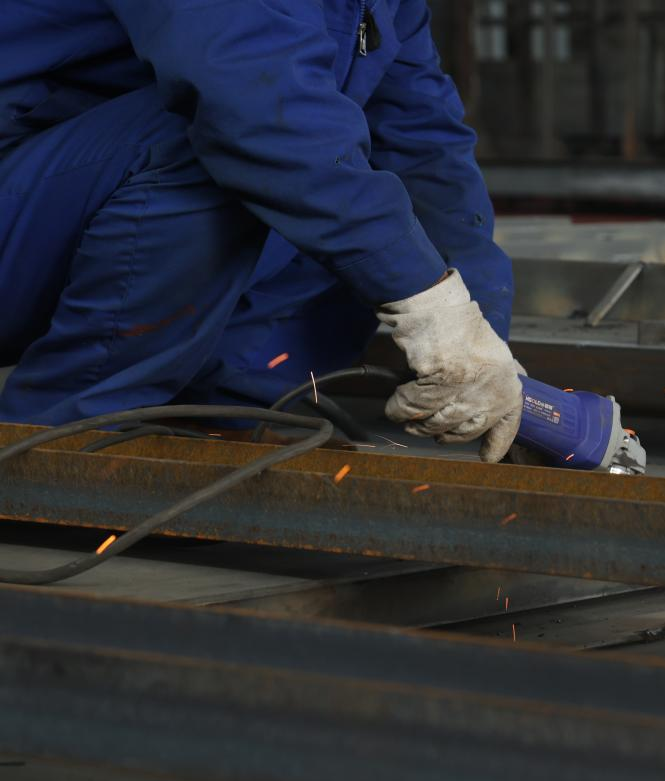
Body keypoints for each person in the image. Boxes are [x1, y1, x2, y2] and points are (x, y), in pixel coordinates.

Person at [0, 1, 524, 462]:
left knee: (357, 198)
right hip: (21, 198)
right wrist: (427, 306)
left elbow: (425, 152)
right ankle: (62, 442)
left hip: (52, 217)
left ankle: (218, 418)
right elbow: (253, 104)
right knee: (255, 146)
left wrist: (475, 336)